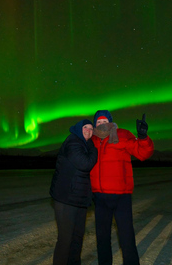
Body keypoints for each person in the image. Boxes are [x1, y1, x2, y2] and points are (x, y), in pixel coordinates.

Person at [90, 110, 154, 265]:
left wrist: (144, 138)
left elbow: (142, 153)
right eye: (99, 122)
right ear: (95, 124)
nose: (102, 124)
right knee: (102, 237)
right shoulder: (91, 140)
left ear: (110, 121)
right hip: (99, 196)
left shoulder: (123, 135)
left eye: (104, 121)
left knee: (126, 236)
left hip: (121, 196)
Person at [49, 119, 98, 265]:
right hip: (66, 199)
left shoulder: (84, 143)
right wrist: (94, 148)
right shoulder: (73, 142)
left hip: (79, 199)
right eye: (85, 128)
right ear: (78, 129)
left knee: (77, 237)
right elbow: (85, 163)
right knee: (66, 239)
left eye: (91, 129)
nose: (88, 131)